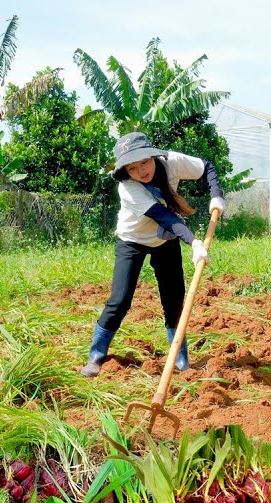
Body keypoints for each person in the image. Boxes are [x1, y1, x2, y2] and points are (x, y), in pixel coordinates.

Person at [81, 132, 226, 378]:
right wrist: (194, 242)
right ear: (125, 170)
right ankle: (96, 356)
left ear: (152, 155)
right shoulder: (128, 188)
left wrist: (216, 196)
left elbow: (207, 168)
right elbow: (165, 217)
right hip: (132, 241)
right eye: (132, 167)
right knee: (120, 300)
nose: (141, 170)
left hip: (165, 241)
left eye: (144, 162)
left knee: (174, 301)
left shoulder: (172, 162)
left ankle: (180, 360)